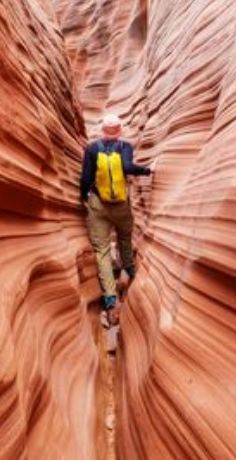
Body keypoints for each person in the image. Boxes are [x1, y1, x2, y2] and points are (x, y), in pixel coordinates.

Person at [79, 113, 153, 324]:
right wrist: (147, 170)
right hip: (120, 205)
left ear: (103, 130)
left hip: (99, 204)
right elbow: (129, 168)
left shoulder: (92, 148)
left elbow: (86, 177)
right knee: (124, 239)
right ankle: (127, 271)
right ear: (119, 130)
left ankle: (110, 299)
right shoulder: (125, 147)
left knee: (102, 251)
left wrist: (84, 196)